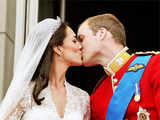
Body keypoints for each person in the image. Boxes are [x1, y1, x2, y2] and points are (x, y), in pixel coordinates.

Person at [0, 17, 90, 120]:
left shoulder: (82, 98)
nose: (80, 46)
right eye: (74, 41)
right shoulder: (26, 92)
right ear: (58, 48)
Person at [78, 13, 160, 120]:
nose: (78, 46)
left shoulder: (154, 64)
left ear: (101, 34)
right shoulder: (96, 95)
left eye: (81, 39)